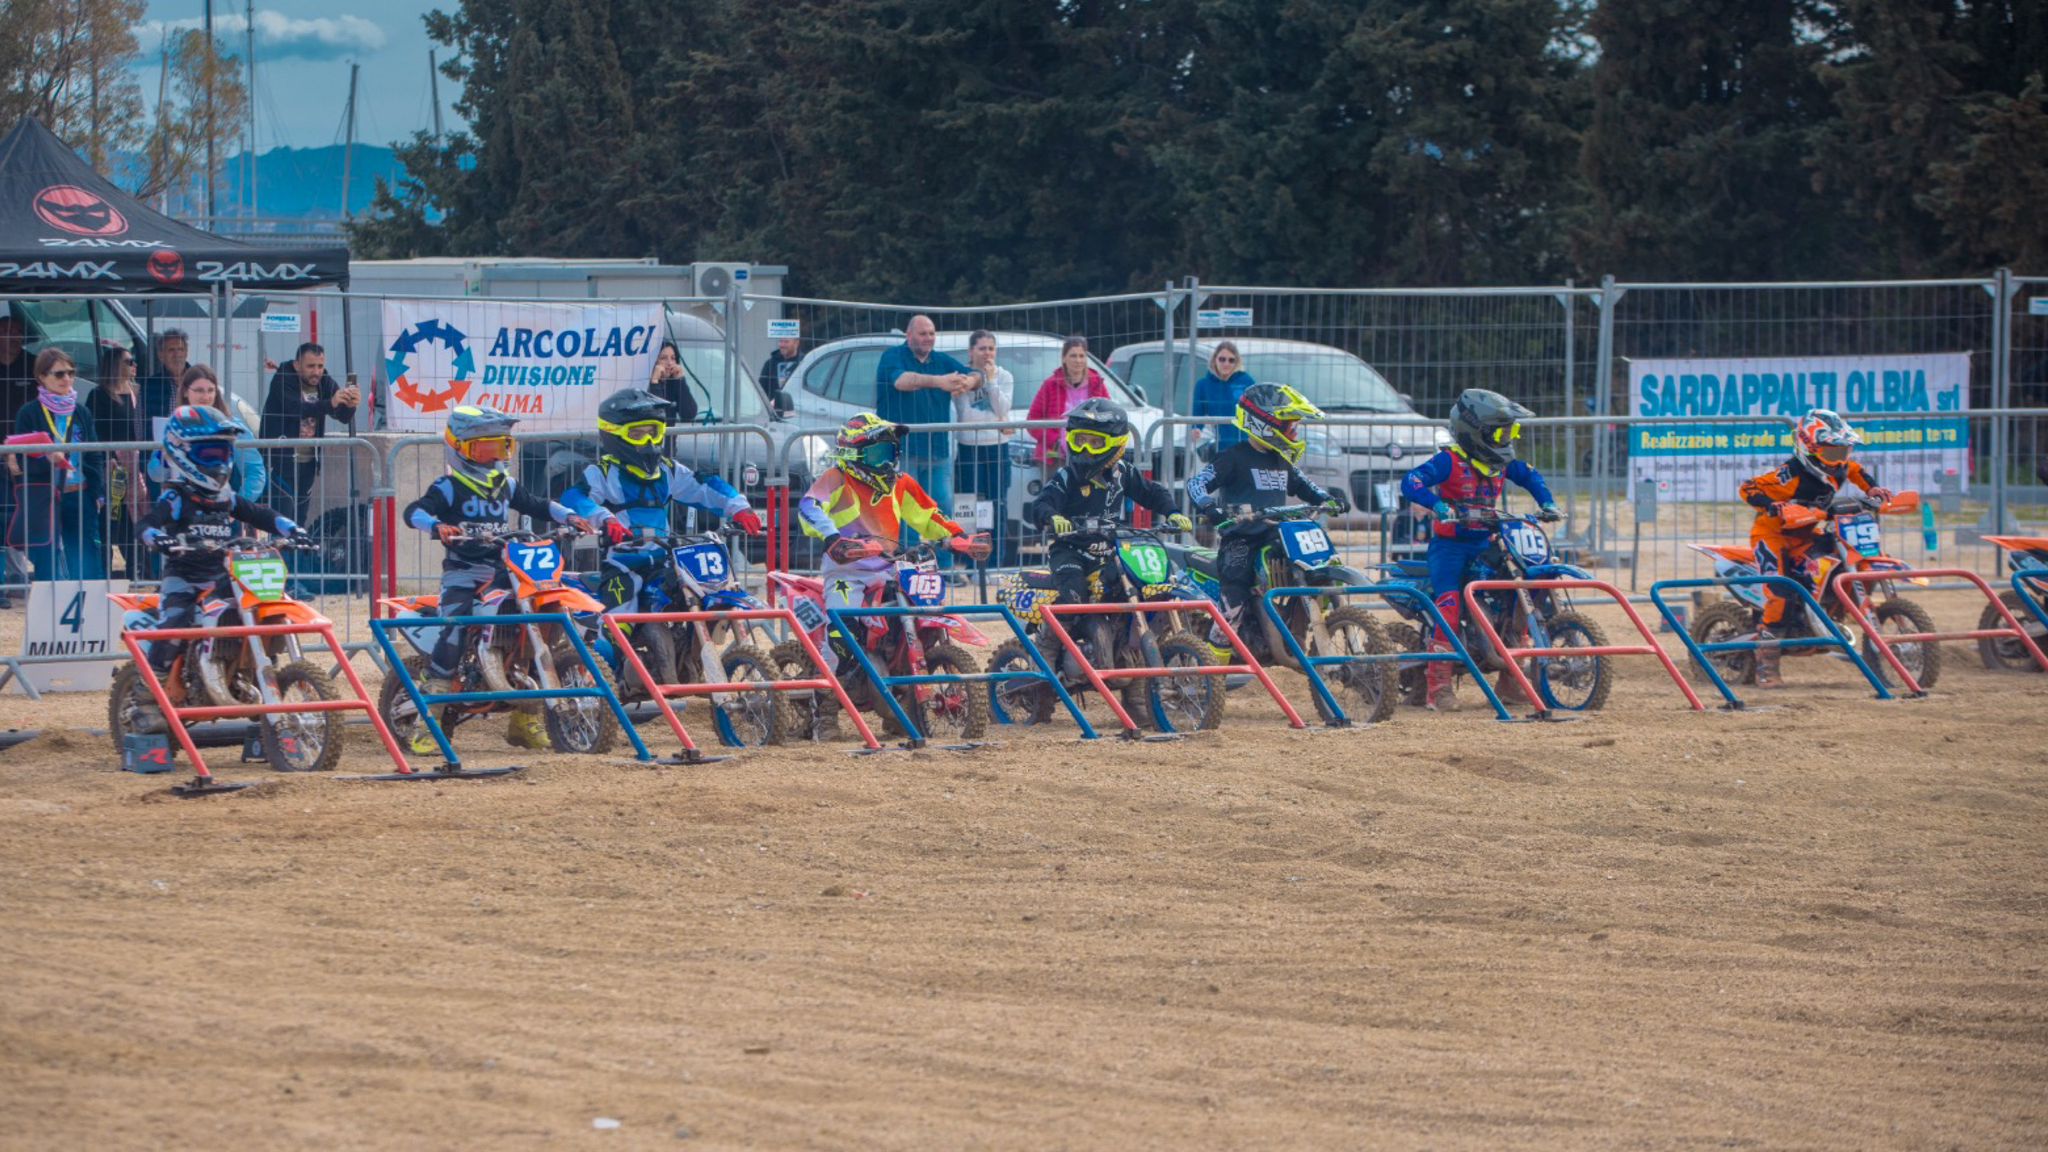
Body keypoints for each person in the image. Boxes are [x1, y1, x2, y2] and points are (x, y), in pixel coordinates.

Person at [403, 405, 593, 752]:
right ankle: (426, 721)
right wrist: (436, 526)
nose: (493, 456)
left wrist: (570, 516)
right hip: (464, 574)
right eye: (484, 448)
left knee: (538, 624)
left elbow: (537, 504)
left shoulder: (506, 484)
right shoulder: (448, 486)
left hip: (505, 570)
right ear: (459, 448)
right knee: (455, 626)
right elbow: (414, 511)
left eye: (500, 447)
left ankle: (525, 720)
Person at [1400, 388, 1560, 710]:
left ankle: (1512, 680)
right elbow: (1412, 481)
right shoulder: (1449, 461)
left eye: (1510, 431)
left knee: (1516, 595)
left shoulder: (1502, 463)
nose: (1506, 438)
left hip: (1488, 543)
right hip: (1450, 548)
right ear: (1477, 432)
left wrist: (1547, 502)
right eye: (1501, 431)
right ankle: (1438, 687)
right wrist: (1437, 504)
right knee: (1449, 604)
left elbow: (1529, 475)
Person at [796, 413, 989, 670]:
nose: (887, 461)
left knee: (919, 609)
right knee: (843, 631)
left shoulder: (900, 483)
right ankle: (824, 693)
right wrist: (832, 538)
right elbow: (809, 507)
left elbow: (929, 515)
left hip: (890, 569)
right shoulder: (837, 477)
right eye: (878, 454)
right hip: (847, 572)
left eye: (890, 452)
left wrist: (957, 537)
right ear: (854, 453)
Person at [136, 406, 305, 687]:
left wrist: (293, 530)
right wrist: (158, 537)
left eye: (224, 454)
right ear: (182, 453)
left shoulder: (226, 498)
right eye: (210, 455)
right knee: (177, 623)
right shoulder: (177, 496)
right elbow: (147, 522)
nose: (220, 462)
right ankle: (149, 686)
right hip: (185, 579)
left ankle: (248, 669)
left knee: (260, 609)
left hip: (223, 576)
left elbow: (260, 513)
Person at [559, 388, 764, 612]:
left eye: (653, 432)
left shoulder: (668, 469)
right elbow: (574, 497)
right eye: (637, 434)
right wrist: (606, 519)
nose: (648, 441)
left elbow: (704, 486)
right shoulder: (603, 473)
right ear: (614, 434)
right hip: (624, 562)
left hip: (666, 559)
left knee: (697, 593)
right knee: (619, 623)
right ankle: (612, 643)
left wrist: (739, 507)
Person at [1188, 383, 1346, 661]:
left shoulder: (1282, 460)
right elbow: (1197, 483)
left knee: (1313, 567)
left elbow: (1307, 487)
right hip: (1242, 538)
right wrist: (1211, 509)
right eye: (1288, 426)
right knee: (1235, 591)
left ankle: (1298, 628)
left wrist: (1328, 499)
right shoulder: (1233, 457)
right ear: (1263, 424)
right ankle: (1215, 663)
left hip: (1276, 535)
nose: (1293, 432)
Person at [1738, 409, 1891, 689]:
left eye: (1844, 451)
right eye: (1833, 453)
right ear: (1809, 447)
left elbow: (1857, 471)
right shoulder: (1791, 473)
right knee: (1781, 592)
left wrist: (1872, 489)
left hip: (1808, 532)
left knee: (1838, 563)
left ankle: (1829, 610)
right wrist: (1772, 505)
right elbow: (1748, 488)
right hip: (1773, 535)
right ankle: (1766, 664)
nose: (1841, 459)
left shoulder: (1841, 467)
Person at [1026, 399, 1191, 609]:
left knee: (1139, 584)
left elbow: (1151, 492)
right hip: (1071, 551)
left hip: (1110, 552)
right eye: (1080, 441)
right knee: (1074, 596)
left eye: (1095, 443)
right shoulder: (1067, 477)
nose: (1086, 449)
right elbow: (1042, 503)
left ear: (1117, 443)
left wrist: (1173, 512)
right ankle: (1050, 640)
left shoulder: (1122, 472)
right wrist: (1054, 517)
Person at [874, 315, 976, 559]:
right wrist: (940, 382)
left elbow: (975, 374)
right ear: (908, 335)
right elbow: (901, 381)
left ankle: (946, 567)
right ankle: (908, 564)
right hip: (902, 450)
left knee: (942, 510)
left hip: (938, 450)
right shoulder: (893, 356)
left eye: (931, 333)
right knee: (905, 510)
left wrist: (968, 381)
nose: (928, 338)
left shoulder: (941, 360)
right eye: (923, 333)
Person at [6, 348, 106, 584]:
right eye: (59, 374)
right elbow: (20, 460)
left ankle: (88, 615)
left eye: (71, 373)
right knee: (47, 562)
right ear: (42, 377)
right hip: (45, 496)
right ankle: (51, 616)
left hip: (79, 494)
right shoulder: (29, 413)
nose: (67, 379)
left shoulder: (81, 412)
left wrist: (97, 493)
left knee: (85, 560)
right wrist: (45, 459)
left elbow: (94, 456)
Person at [260, 341, 359, 530]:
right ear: (297, 365)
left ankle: (296, 558)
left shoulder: (325, 381)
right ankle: (282, 557)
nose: (316, 372)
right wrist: (331, 403)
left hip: (308, 462)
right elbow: (295, 409)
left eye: (320, 366)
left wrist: (351, 404)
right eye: (311, 366)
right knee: (281, 518)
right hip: (280, 460)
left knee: (300, 519)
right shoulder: (284, 378)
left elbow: (342, 417)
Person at [85, 345, 149, 578]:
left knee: (135, 520)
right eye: (128, 361)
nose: (133, 365)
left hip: (135, 467)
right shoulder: (98, 395)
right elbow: (95, 432)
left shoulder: (136, 392)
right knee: (111, 522)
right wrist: (107, 459)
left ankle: (137, 572)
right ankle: (104, 574)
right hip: (112, 468)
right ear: (114, 365)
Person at [952, 330, 1014, 563]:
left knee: (997, 504)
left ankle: (995, 560)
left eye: (991, 348)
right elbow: (965, 416)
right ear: (971, 351)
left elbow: (1002, 409)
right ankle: (968, 561)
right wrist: (998, 421)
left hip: (998, 447)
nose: (987, 353)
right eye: (982, 348)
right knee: (968, 506)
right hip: (969, 447)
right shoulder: (963, 377)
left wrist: (991, 381)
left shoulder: (1004, 376)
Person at [178, 365, 268, 503]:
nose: (206, 396)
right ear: (185, 392)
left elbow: (255, 473)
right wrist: (165, 455)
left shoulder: (231, 426)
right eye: (199, 391)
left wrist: (236, 506)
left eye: (211, 390)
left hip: (219, 513)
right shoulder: (175, 425)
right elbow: (155, 473)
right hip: (184, 511)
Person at [1025, 336, 1109, 466]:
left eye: (1082, 356)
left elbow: (1109, 415)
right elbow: (1032, 420)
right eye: (1073, 356)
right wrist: (1054, 441)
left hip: (1091, 454)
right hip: (1055, 456)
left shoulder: (1097, 383)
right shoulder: (1050, 385)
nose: (1078, 360)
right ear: (1064, 358)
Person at [0, 314, 32, 605]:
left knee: (16, 517)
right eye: (6, 332)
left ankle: (17, 578)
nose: (12, 338)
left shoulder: (32, 364)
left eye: (17, 333)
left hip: (22, 457)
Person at [1191, 342, 1254, 452]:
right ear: (1215, 360)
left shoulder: (1246, 382)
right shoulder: (1203, 385)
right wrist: (1196, 429)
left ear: (1236, 362)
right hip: (1217, 447)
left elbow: (1257, 410)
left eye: (1231, 360)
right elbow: (1197, 414)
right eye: (1222, 359)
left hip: (1245, 446)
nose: (1226, 363)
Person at [138, 328, 191, 423]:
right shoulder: (148, 386)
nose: (177, 355)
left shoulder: (198, 381)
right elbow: (138, 422)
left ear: (186, 353)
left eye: (180, 349)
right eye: (171, 350)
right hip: (159, 437)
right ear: (161, 355)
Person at [648, 341, 699, 425]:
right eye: (663, 358)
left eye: (673, 358)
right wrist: (654, 382)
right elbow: (658, 417)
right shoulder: (644, 385)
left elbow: (689, 414)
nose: (670, 363)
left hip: (670, 438)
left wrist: (680, 381)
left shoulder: (674, 384)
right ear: (654, 361)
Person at [757, 336, 802, 416]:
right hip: (774, 413)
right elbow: (761, 390)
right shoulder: (770, 364)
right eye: (781, 341)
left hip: (799, 411)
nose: (782, 345)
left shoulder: (803, 362)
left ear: (796, 343)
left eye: (786, 342)